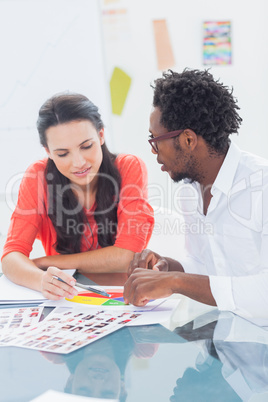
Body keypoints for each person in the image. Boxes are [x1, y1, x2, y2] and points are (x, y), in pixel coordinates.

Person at [124, 68, 268, 326]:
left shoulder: (262, 186)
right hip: (227, 344)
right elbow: (205, 264)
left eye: (156, 140)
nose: (154, 153)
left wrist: (176, 283)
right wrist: (168, 267)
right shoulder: (190, 191)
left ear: (188, 139)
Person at [1, 93, 154, 300]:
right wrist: (40, 280)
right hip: (67, 300)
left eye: (86, 146)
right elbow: (11, 256)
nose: (79, 162)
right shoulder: (38, 176)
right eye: (63, 154)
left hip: (123, 297)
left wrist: (47, 262)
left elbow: (126, 256)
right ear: (48, 151)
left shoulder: (128, 167)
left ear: (101, 135)